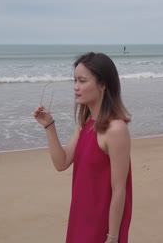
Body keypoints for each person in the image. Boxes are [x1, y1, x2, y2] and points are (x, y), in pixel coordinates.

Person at [34, 52, 132, 243]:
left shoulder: (116, 129)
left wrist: (112, 237)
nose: (75, 87)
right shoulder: (85, 124)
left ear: (103, 84)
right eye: (75, 80)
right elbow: (61, 163)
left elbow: (119, 189)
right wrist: (49, 125)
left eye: (82, 80)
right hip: (80, 216)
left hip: (102, 225)